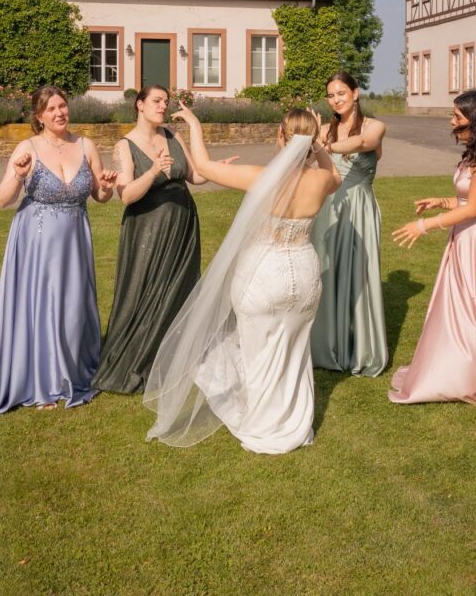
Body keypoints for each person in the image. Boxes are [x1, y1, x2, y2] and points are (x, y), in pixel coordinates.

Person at [144, 104, 341, 455]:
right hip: (304, 275)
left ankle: (263, 424)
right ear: (311, 140)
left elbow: (204, 166)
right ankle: (293, 421)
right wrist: (317, 144)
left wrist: (194, 124)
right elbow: (336, 176)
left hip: (263, 276)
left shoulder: (261, 177)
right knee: (294, 350)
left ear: (280, 135)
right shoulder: (320, 180)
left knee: (257, 351)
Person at [0, 85, 116, 414]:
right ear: (39, 116)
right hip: (37, 242)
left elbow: (99, 196)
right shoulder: (27, 147)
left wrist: (107, 188)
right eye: (51, 109)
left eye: (63, 106)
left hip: (75, 241)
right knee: (43, 307)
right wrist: (18, 174)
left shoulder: (85, 145)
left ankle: (72, 370)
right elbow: (1, 199)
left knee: (73, 307)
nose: (59, 113)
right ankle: (44, 382)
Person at [388, 89, 476, 405]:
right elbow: (467, 199)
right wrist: (440, 201)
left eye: (457, 117)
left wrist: (423, 226)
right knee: (458, 302)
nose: (452, 121)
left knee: (470, 304)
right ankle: (454, 364)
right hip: (466, 233)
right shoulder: (474, 155)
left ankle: (469, 374)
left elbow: (473, 209)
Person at [93, 85, 206, 394]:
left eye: (165, 102)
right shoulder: (124, 146)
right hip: (147, 230)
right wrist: (154, 170)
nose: (163, 106)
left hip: (182, 225)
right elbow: (126, 195)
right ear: (140, 105)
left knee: (179, 288)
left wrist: (215, 168)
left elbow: (195, 175)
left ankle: (174, 358)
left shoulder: (172, 135)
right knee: (145, 291)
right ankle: (136, 358)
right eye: (156, 101)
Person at [310, 71, 388, 377]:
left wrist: (325, 145)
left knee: (359, 274)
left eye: (341, 93)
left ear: (356, 93)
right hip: (329, 207)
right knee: (326, 270)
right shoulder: (324, 131)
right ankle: (326, 345)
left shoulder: (375, 127)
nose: (335, 100)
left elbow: (363, 143)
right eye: (330, 95)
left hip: (360, 207)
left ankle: (361, 347)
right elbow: (313, 166)